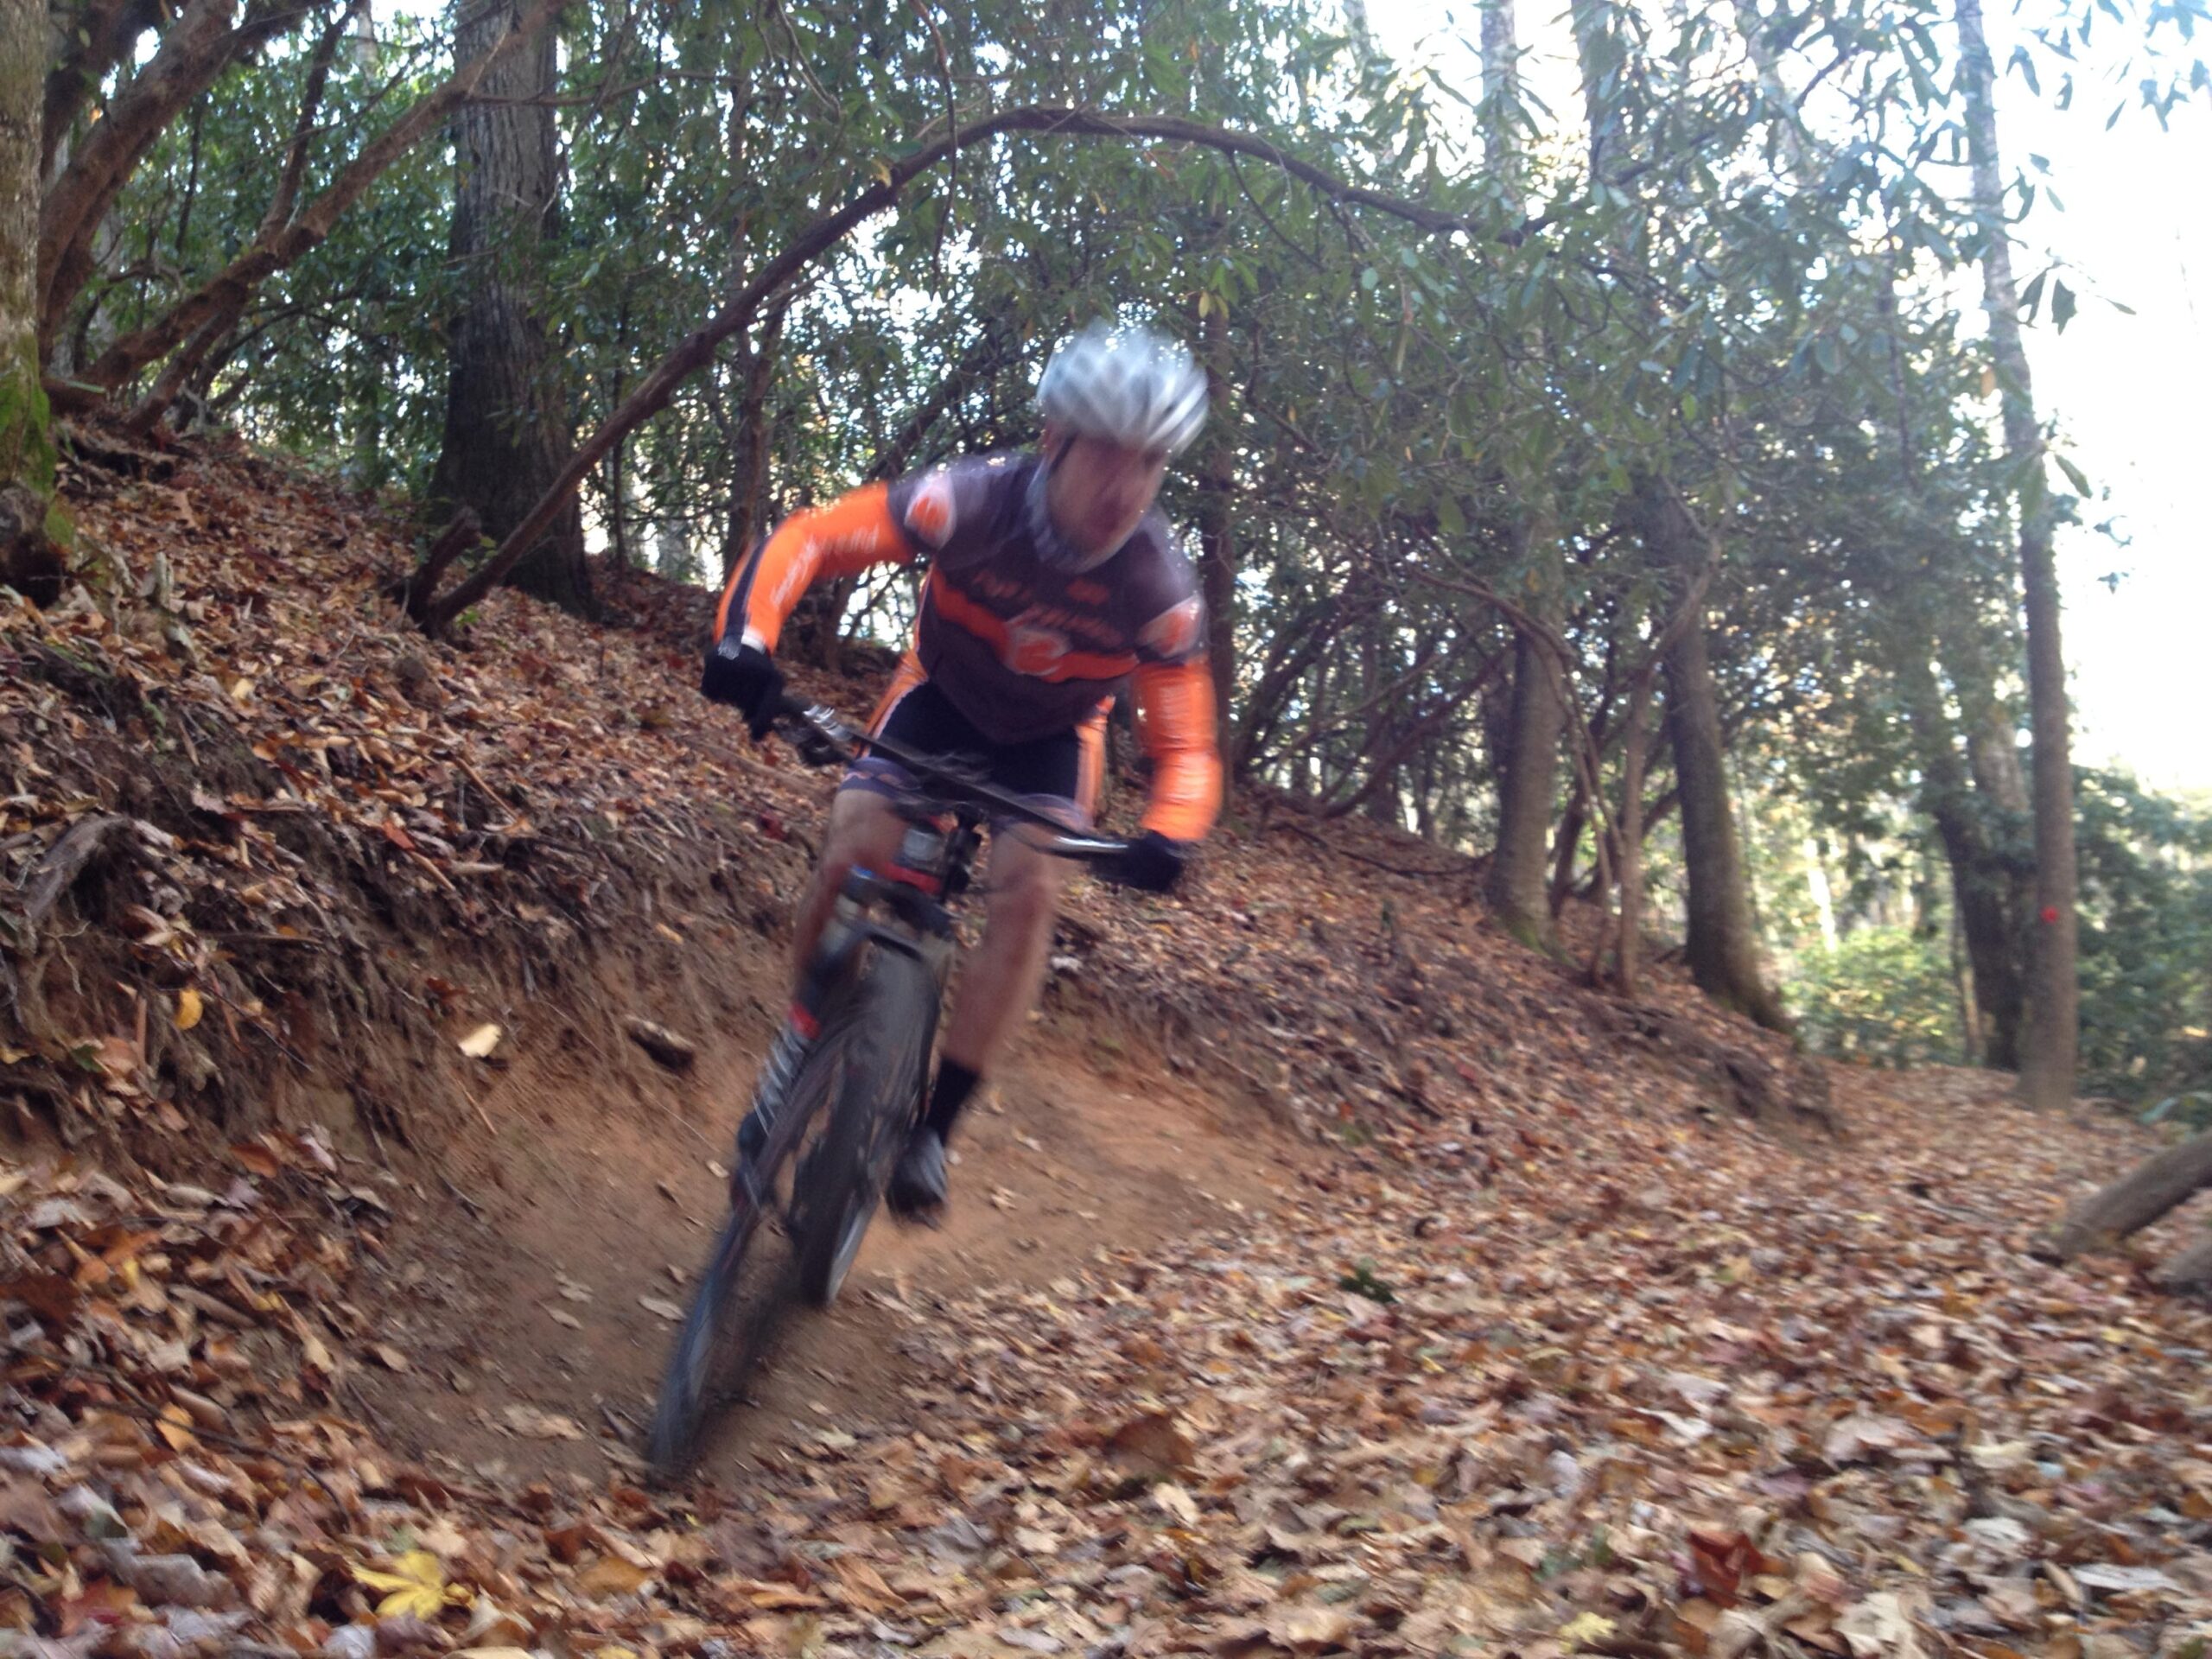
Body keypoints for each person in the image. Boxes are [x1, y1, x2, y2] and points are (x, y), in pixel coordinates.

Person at [699, 322, 1224, 1218]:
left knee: (1030, 888)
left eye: (1149, 466)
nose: (1125, 488)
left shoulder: (1158, 589)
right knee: (851, 844)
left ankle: (934, 1130)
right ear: (1054, 441)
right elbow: (816, 539)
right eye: (1108, 457)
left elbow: (1185, 752)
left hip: (1054, 737)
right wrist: (747, 640)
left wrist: (1170, 834)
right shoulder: (968, 502)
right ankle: (798, 1042)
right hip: (940, 694)